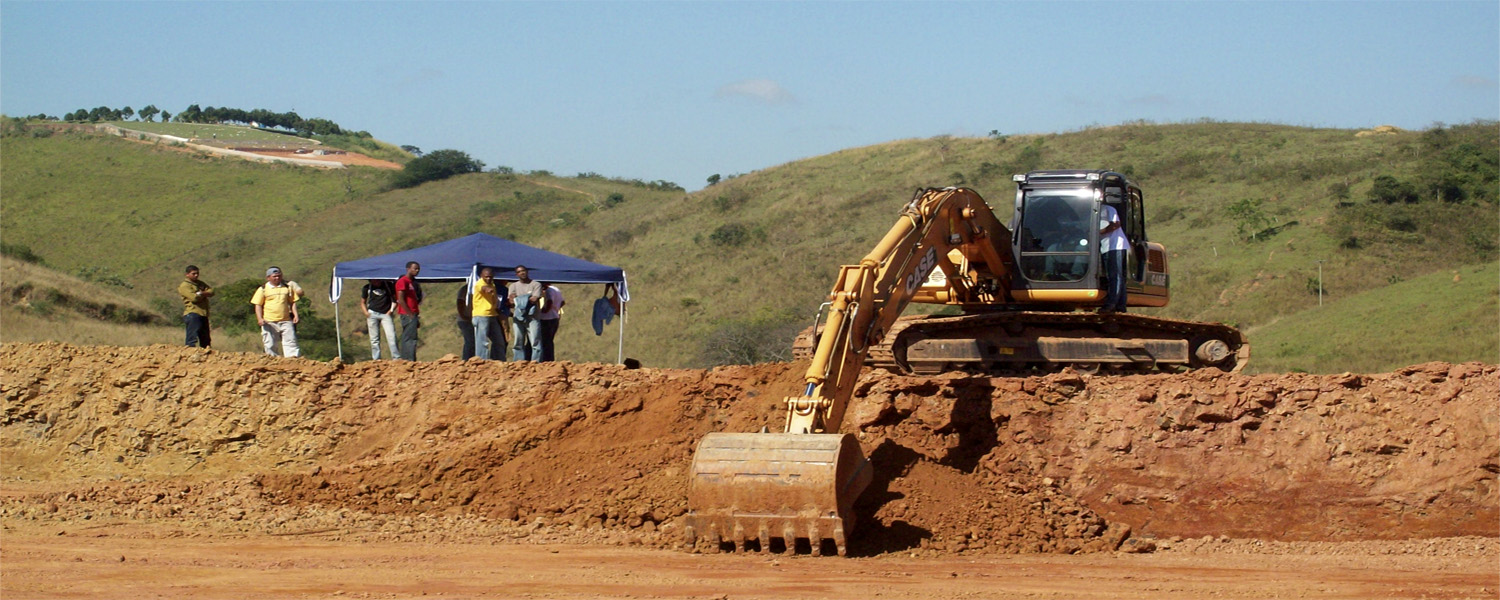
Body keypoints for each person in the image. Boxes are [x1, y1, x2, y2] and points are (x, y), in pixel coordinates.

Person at [251, 266, 301, 357]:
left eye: (279, 276)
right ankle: (273, 362)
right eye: (274, 276)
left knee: (291, 342)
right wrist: (260, 318)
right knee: (270, 344)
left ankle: (293, 360)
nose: (277, 278)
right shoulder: (263, 289)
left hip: (286, 320)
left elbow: (292, 302)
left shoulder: (287, 288)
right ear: (268, 277)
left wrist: (296, 315)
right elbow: (258, 305)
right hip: (269, 321)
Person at [1099, 203, 1129, 314]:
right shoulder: (1092, 210)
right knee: (1114, 276)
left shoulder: (1108, 209)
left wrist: (1099, 232)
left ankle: (1111, 304)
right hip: (1106, 246)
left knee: (1114, 275)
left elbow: (1116, 224)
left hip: (1115, 246)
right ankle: (1121, 305)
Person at [508, 265, 542, 361]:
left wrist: (518, 299)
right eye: (519, 272)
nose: (522, 273)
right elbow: (510, 301)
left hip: (532, 317)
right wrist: (526, 297)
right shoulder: (513, 286)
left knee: (535, 341)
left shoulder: (536, 284)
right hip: (518, 316)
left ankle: (536, 361)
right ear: (516, 274)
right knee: (518, 340)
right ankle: (518, 362)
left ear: (527, 271)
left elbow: (534, 299)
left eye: (524, 271)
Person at [471, 267, 506, 360]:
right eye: (486, 277)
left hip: (492, 315)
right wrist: (488, 289)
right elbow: (483, 288)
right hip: (482, 315)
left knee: (499, 340)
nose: (488, 279)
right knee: (482, 341)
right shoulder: (479, 284)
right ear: (481, 276)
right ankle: (482, 361)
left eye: (490, 277)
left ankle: (499, 360)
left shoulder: (492, 284)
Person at [361, 279, 399, 360]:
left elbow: (395, 300)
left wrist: (391, 311)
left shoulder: (388, 285)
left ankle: (396, 358)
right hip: (372, 313)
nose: (376, 282)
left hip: (385, 314)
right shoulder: (367, 288)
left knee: (391, 336)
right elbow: (363, 302)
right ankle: (376, 359)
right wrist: (366, 312)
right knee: (374, 338)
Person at [178, 265, 214, 348]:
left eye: (197, 273)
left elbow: (211, 291)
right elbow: (194, 298)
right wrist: (204, 294)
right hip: (193, 313)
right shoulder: (184, 286)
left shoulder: (200, 283)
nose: (196, 275)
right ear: (187, 274)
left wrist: (201, 293)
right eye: (193, 273)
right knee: (192, 338)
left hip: (203, 313)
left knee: (206, 340)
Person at [395, 261, 423, 361]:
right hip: (408, 314)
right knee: (410, 339)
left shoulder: (412, 283)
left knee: (410, 336)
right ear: (408, 269)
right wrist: (410, 314)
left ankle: (407, 359)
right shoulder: (403, 281)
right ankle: (409, 360)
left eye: (418, 269)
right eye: (414, 268)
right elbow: (401, 299)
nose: (417, 270)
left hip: (413, 313)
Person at [535, 281, 565, 362]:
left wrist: (544, 310)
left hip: (546, 319)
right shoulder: (556, 289)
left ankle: (545, 360)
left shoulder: (549, 291)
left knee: (544, 341)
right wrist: (556, 308)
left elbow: (549, 301)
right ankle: (549, 359)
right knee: (549, 340)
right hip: (555, 317)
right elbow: (562, 302)